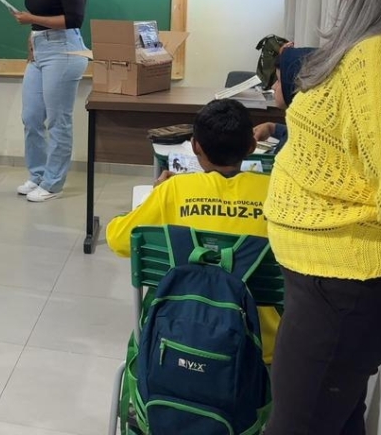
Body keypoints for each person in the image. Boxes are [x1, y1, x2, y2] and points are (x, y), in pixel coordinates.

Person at [262, 0, 381, 435]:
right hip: (332, 280)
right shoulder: (361, 48)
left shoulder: (373, 60)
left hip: (342, 284)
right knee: (335, 420)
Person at [106, 99, 277, 364]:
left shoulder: (173, 190)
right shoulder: (277, 193)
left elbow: (118, 239)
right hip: (261, 346)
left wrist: (152, 197)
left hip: (180, 335)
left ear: (196, 146)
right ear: (252, 147)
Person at [14, 0, 89, 202]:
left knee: (58, 120)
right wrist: (32, 35)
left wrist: (31, 20)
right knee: (31, 116)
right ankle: (38, 174)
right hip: (40, 48)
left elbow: (74, 19)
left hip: (64, 50)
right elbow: (39, 12)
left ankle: (53, 182)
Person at [252, 46, 314, 154]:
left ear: (295, 85)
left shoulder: (303, 146)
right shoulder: (305, 124)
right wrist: (272, 128)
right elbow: (291, 131)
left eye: (279, 81)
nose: (273, 87)